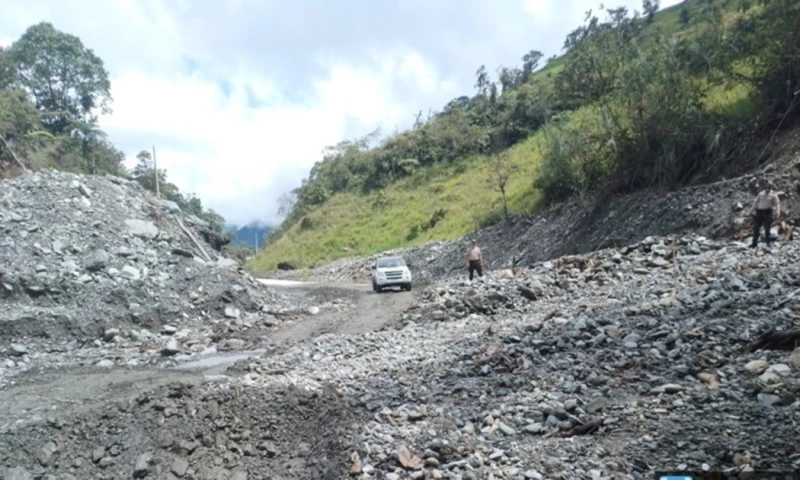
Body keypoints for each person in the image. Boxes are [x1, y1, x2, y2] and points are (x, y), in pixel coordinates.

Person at [749, 182, 780, 249]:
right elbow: (755, 202)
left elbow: (777, 204)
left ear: (771, 188)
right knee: (756, 228)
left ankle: (768, 243)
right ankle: (754, 243)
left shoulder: (773, 195)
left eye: (769, 188)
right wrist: (751, 211)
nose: (767, 189)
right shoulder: (761, 194)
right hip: (759, 212)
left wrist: (777, 213)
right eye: (766, 188)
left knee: (767, 228)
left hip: (767, 213)